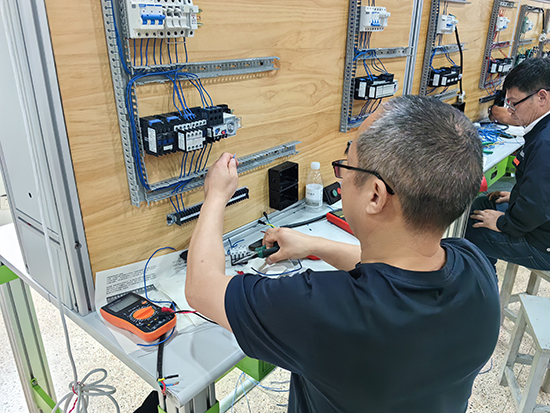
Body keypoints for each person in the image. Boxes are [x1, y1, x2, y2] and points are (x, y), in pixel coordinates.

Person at [186, 96, 500, 412]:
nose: (342, 176)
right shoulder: (475, 265)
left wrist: (216, 196)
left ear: (375, 195)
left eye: (346, 164)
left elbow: (201, 288)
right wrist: (314, 245)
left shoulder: (321, 309)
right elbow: (397, 271)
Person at [465, 58, 550, 271]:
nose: (510, 110)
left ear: (542, 97)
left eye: (514, 103)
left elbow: (537, 206)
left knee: (470, 230)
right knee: (482, 205)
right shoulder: (543, 130)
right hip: (542, 221)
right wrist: (518, 197)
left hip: (543, 243)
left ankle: (483, 288)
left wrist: (503, 223)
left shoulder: (545, 142)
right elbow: (542, 190)